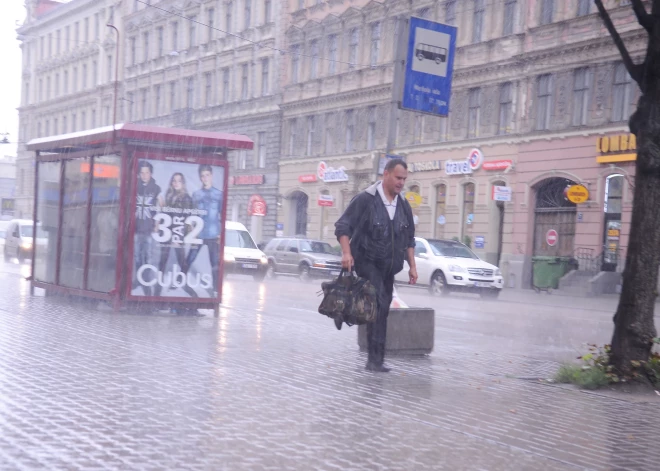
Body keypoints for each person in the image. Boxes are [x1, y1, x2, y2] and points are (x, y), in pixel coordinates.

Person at [335, 159, 418, 373]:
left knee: (382, 308)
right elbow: (343, 226)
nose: (401, 183)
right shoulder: (366, 199)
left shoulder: (403, 205)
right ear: (386, 174)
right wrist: (346, 253)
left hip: (389, 267)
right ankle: (374, 360)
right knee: (378, 303)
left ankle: (376, 357)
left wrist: (412, 266)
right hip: (367, 261)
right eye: (398, 178)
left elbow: (409, 238)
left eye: (404, 179)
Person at [185, 165, 223, 297]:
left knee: (214, 262)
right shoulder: (196, 194)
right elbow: (191, 214)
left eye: (207, 175)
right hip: (199, 233)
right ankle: (179, 280)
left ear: (211, 176)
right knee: (190, 258)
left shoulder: (219, 194)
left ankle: (215, 288)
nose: (205, 178)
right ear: (200, 178)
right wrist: (191, 230)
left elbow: (221, 215)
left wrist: (220, 233)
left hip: (213, 234)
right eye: (203, 176)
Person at [155, 172, 193, 297]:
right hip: (167, 232)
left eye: (179, 181)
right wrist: (162, 208)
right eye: (174, 180)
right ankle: (158, 289)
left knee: (182, 261)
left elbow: (187, 219)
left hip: (178, 233)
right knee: (163, 260)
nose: (176, 183)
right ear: (171, 182)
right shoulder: (169, 195)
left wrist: (181, 235)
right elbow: (166, 214)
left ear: (183, 183)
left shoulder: (186, 198)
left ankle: (183, 285)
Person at [133, 160, 162, 296]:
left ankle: (148, 284)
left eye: (147, 172)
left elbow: (160, 207)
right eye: (142, 173)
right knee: (138, 257)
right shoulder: (135, 186)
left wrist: (157, 223)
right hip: (136, 229)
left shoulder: (156, 188)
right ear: (139, 174)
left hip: (149, 229)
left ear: (151, 173)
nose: (144, 175)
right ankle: (140, 281)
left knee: (149, 258)